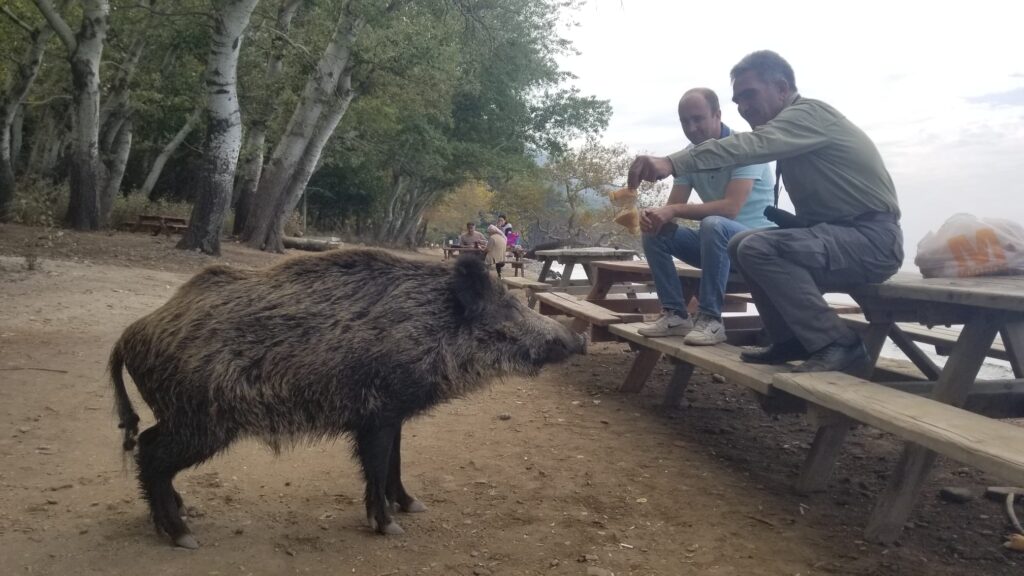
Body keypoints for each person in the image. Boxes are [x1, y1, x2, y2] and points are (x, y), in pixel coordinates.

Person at [628, 50, 903, 373]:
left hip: (872, 240)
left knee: (755, 245)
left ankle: (839, 342)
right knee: (740, 245)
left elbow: (750, 147)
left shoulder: (809, 115)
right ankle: (790, 339)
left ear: (782, 88)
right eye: (738, 100)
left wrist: (671, 162)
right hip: (837, 236)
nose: (743, 108)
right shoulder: (790, 132)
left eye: (750, 95)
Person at [637, 87, 775, 345]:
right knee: (656, 231)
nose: (691, 127)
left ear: (717, 115)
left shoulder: (746, 149)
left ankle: (711, 319)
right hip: (716, 248)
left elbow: (730, 209)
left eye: (698, 119)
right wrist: (654, 216)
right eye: (685, 121)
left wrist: (674, 210)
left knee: (715, 224)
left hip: (756, 247)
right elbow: (672, 208)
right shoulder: (689, 156)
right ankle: (675, 314)